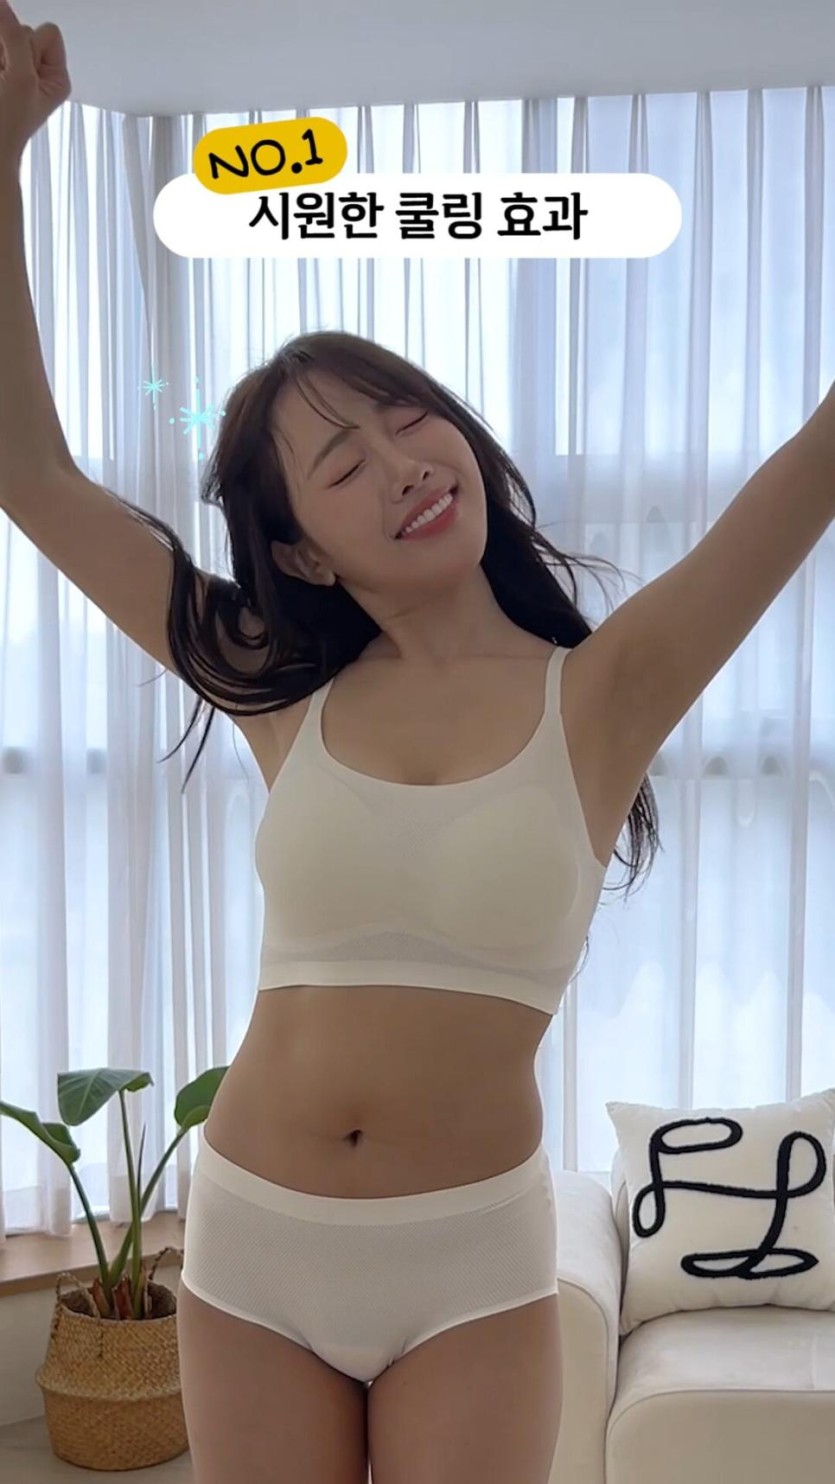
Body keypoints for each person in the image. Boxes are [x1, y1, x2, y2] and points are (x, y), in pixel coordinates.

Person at [7, 11, 835, 1484]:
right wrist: (3, 161)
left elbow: (815, 462)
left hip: (471, 1261)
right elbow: (25, 469)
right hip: (257, 1240)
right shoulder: (275, 689)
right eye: (344, 464)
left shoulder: (606, 692)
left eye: (410, 420)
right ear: (301, 553)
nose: (403, 465)